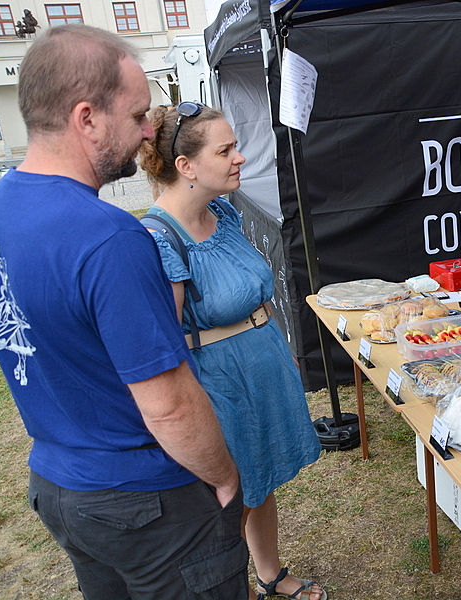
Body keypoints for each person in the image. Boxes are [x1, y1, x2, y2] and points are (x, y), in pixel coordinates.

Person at [0, 25, 248, 598]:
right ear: (86, 118)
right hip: (145, 498)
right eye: (136, 115)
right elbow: (169, 405)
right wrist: (226, 476)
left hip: (60, 485)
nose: (147, 132)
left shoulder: (4, 206)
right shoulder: (109, 237)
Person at [138, 103, 325, 600]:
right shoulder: (160, 240)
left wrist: (277, 347)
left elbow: (253, 291)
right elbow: (166, 347)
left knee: (259, 481)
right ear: (186, 166)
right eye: (225, 151)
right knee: (227, 501)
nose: (240, 157)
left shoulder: (222, 212)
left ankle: (269, 574)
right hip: (220, 384)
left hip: (260, 368)